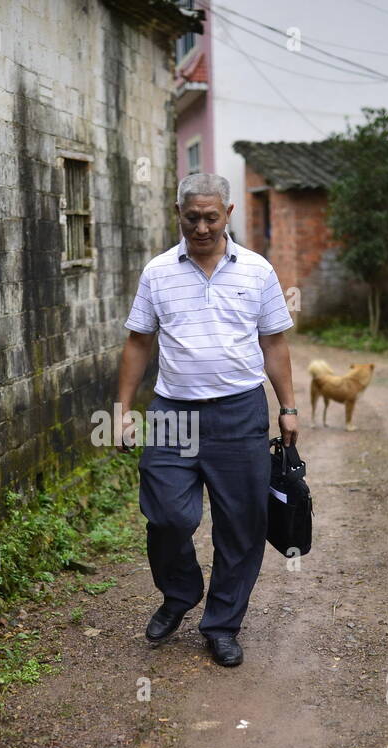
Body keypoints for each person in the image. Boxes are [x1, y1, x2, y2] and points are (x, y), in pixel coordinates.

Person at [115, 172, 299, 667]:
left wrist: (287, 407)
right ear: (179, 215)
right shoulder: (158, 273)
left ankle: (221, 625)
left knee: (241, 525)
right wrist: (122, 409)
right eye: (192, 217)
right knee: (168, 516)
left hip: (239, 413)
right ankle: (180, 593)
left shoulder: (257, 271)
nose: (201, 227)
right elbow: (138, 342)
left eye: (210, 217)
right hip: (174, 412)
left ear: (228, 215)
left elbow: (274, 344)